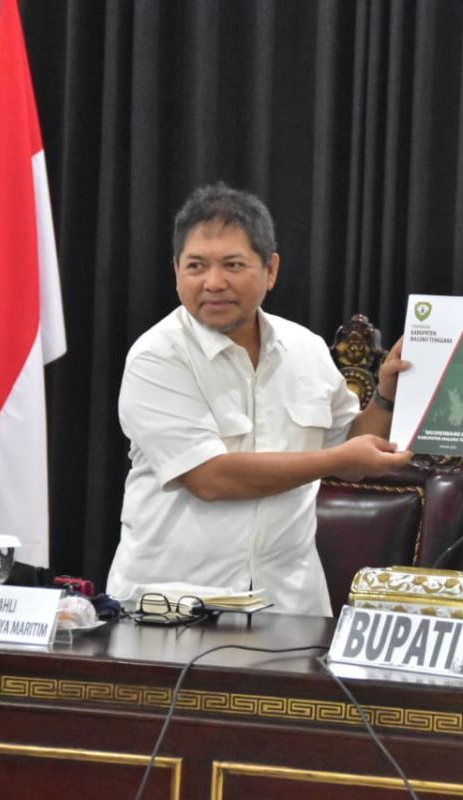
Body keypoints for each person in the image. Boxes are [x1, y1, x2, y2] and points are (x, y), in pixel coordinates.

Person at [106, 183, 412, 615]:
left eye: (233, 265)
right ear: (175, 271)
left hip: (289, 604)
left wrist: (386, 397)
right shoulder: (156, 357)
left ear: (271, 270)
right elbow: (210, 478)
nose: (214, 283)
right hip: (175, 605)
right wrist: (336, 462)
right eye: (196, 266)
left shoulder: (305, 348)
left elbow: (351, 440)